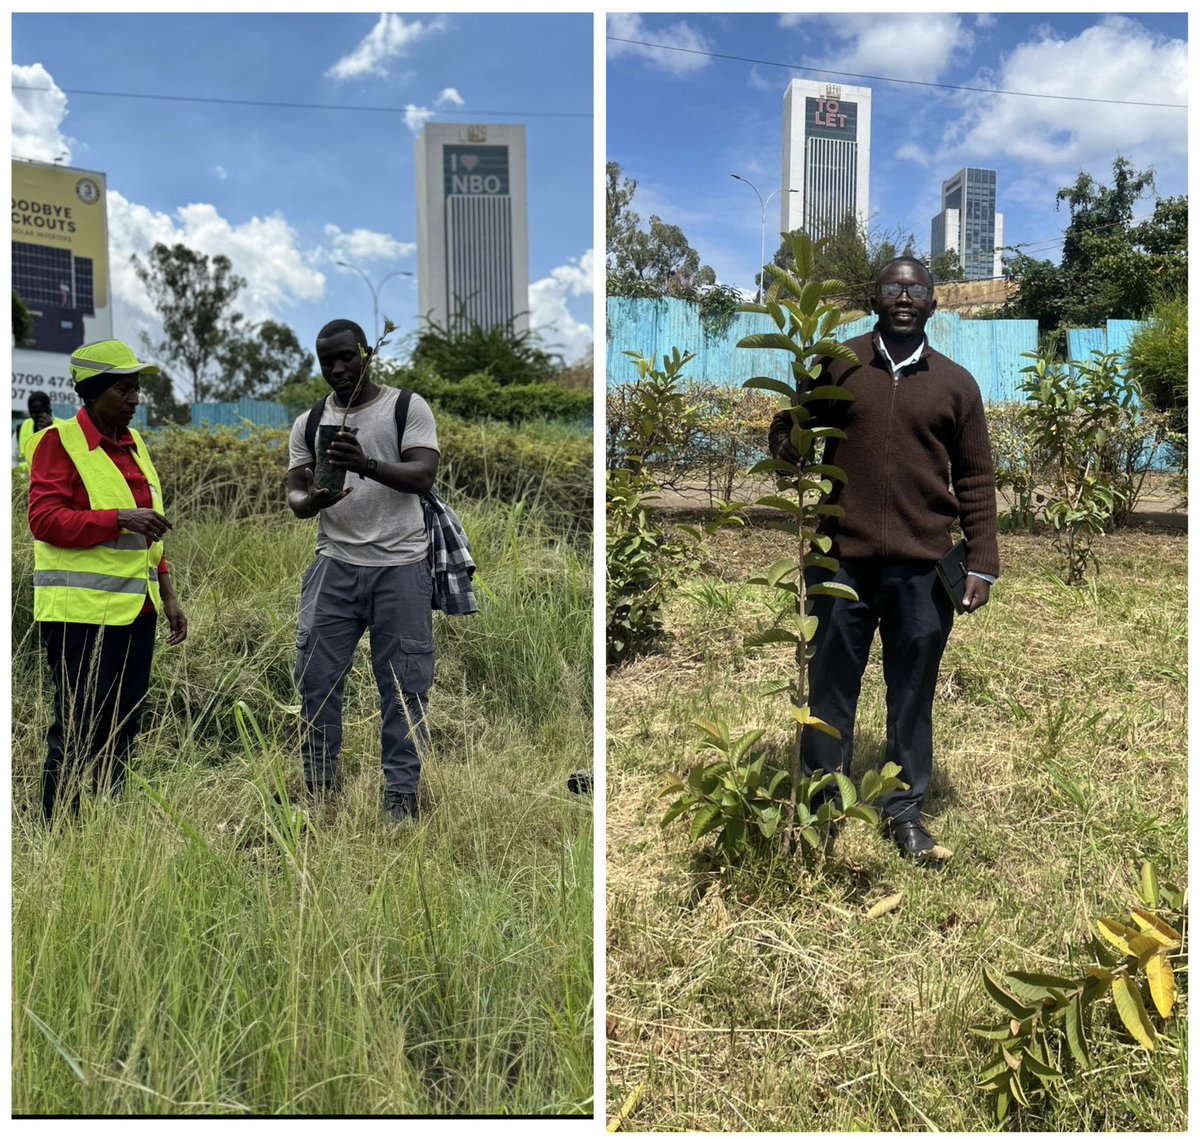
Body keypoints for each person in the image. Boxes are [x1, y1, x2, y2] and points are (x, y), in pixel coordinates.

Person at [769, 257, 1000, 863]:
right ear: (876, 297)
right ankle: (821, 806)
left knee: (912, 694)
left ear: (933, 303)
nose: (904, 295)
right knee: (830, 688)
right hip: (840, 562)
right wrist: (787, 430)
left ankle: (903, 811)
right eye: (893, 286)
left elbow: (975, 478)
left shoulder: (956, 384)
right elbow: (794, 438)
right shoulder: (838, 362)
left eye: (916, 288)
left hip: (923, 570)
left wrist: (983, 563)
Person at [286, 318, 441, 825]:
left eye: (346, 357)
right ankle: (319, 787)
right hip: (334, 565)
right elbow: (292, 491)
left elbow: (422, 475)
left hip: (401, 567)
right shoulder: (309, 422)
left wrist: (367, 463)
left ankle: (400, 795)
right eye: (326, 361)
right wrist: (310, 501)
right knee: (316, 678)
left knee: (403, 687)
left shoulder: (406, 407)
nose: (336, 369)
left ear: (365, 354)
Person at [28, 340, 188, 821]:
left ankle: (107, 821)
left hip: (135, 610)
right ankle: (59, 828)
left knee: (123, 723)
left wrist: (168, 593)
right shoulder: (56, 444)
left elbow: (149, 528)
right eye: (125, 389)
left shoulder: (134, 444)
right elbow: (45, 520)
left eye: (137, 388)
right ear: (94, 392)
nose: (136, 398)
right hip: (80, 617)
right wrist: (118, 518)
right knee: (77, 727)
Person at [15, 390, 58, 468]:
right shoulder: (21, 428)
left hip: (52, 478)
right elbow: (12, 458)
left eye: (38, 412)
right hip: (26, 478)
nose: (35, 416)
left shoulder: (61, 427)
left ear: (48, 410)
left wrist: (50, 431)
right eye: (32, 413)